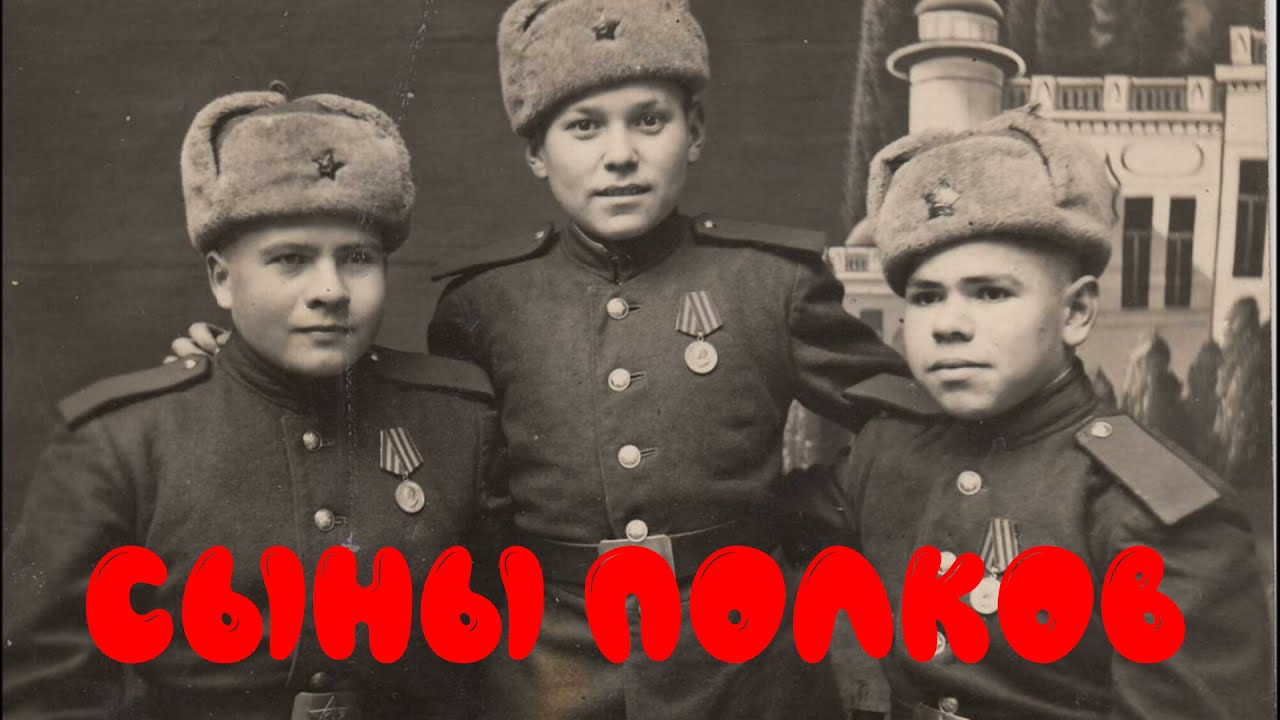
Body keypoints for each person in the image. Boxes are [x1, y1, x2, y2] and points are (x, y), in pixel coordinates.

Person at [2, 88, 502, 720]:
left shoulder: (458, 421)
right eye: (290, 259)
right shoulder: (122, 441)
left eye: (357, 258)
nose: (330, 291)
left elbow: (502, 649)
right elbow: (45, 689)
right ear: (221, 278)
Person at [825, 106, 1271, 720]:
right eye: (927, 297)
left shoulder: (1149, 509)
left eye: (991, 292)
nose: (949, 325)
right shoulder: (888, 449)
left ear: (1076, 312)